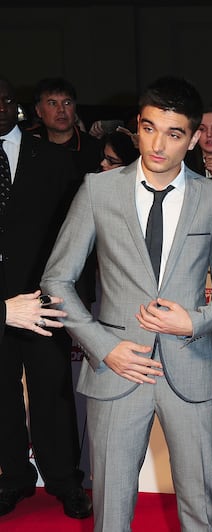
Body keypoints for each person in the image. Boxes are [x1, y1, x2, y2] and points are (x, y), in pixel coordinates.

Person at [40, 76, 212, 531]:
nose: (158, 144)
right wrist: (102, 346)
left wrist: (195, 319)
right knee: (111, 509)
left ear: (193, 138)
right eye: (149, 128)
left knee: (199, 508)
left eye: (173, 134)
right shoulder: (99, 190)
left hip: (190, 370)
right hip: (116, 367)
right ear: (138, 126)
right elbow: (57, 279)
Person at [0, 77, 90, 520]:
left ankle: (64, 480)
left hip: (44, 301)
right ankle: (13, 477)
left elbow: (77, 236)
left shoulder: (56, 160)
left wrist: (73, 299)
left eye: (5, 98)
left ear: (17, 106)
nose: (0, 106)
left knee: (53, 394)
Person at [29, 77, 103, 177]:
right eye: (52, 103)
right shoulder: (28, 143)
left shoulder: (94, 149)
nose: (61, 110)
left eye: (67, 103)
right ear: (38, 110)